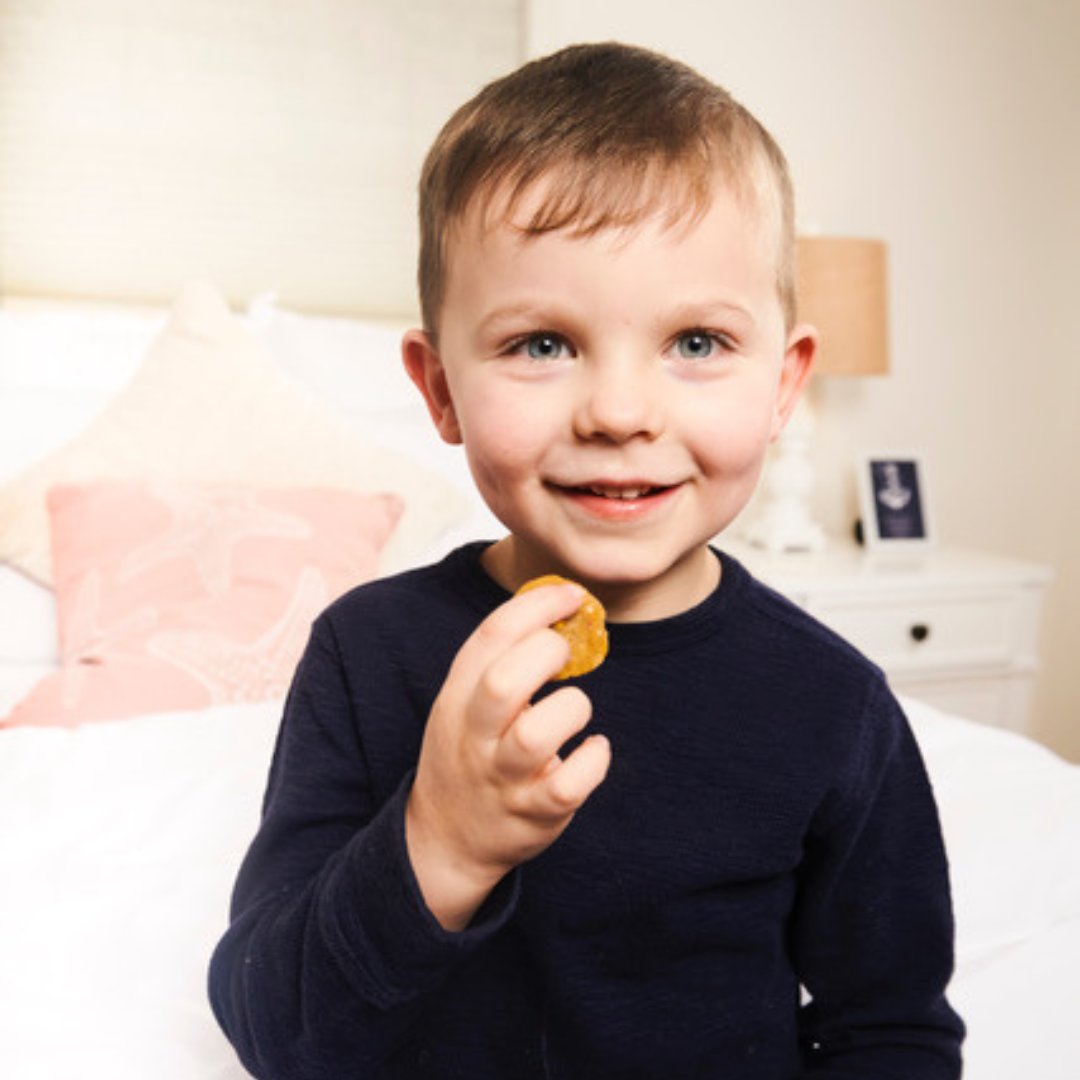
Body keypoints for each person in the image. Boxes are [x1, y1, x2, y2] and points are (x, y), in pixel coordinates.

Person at [209, 42, 964, 1078]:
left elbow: (890, 1029)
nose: (618, 412)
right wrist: (441, 843)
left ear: (784, 386)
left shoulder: (834, 705)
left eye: (696, 342)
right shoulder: (365, 655)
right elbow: (275, 1031)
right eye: (542, 344)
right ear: (438, 389)